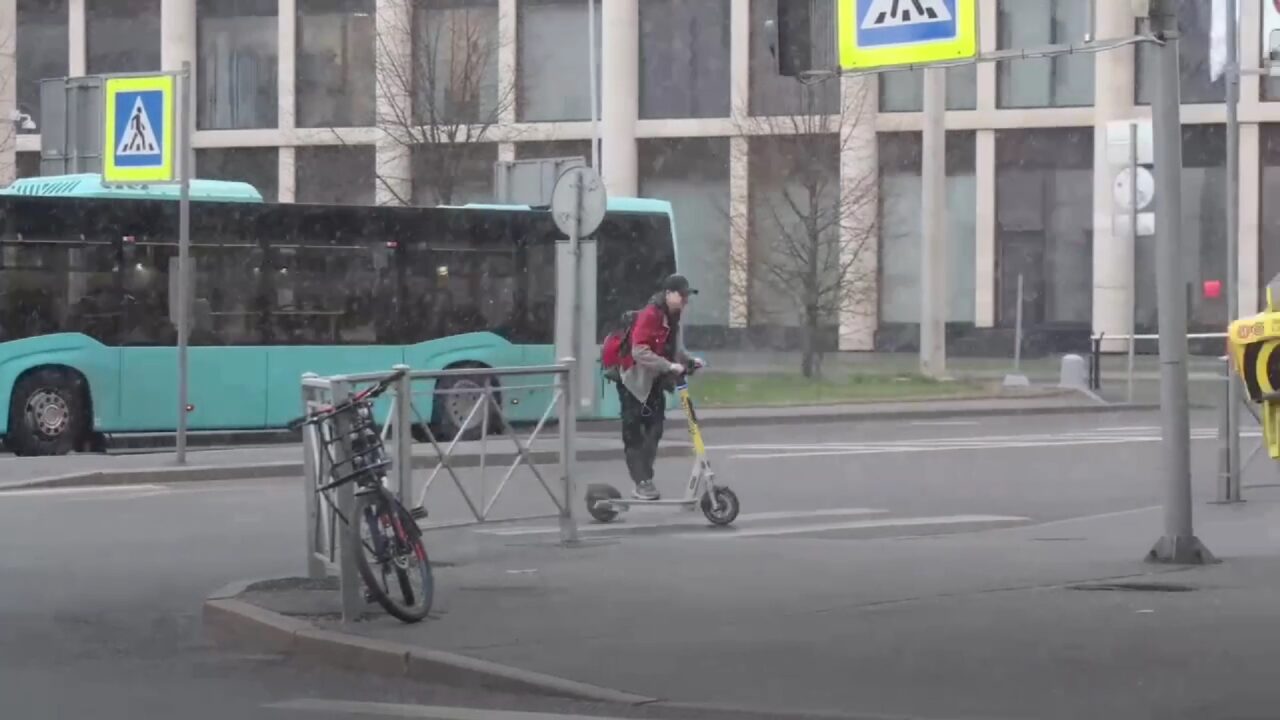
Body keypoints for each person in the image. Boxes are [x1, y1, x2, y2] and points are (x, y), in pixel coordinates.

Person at [617, 274, 704, 500]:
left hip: (654, 383)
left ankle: (645, 478)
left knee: (654, 430)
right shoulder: (650, 315)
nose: (685, 300)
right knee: (634, 435)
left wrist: (688, 361)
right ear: (668, 294)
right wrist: (669, 366)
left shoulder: (672, 317)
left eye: (687, 296)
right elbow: (640, 351)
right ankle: (641, 482)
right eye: (682, 295)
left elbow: (673, 349)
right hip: (634, 384)